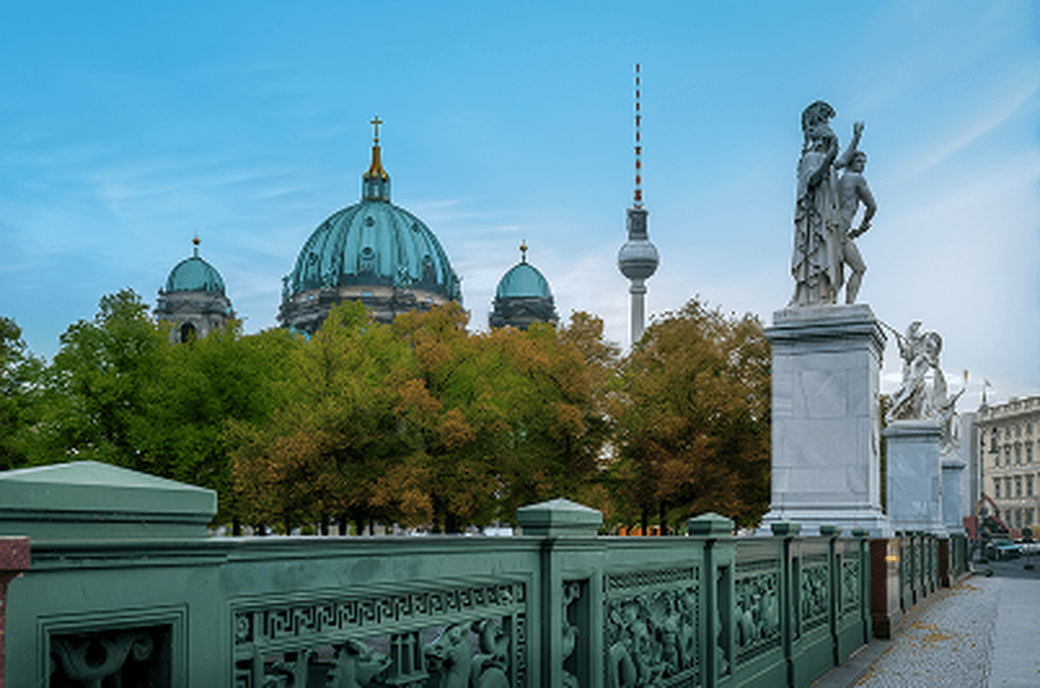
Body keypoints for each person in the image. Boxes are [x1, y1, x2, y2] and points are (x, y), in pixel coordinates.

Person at [789, 102, 864, 307]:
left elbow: (841, 160)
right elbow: (812, 180)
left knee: (829, 256)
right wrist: (829, 157)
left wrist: (856, 138)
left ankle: (825, 296)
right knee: (817, 254)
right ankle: (811, 297)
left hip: (828, 217)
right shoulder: (810, 158)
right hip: (816, 217)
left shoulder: (827, 161)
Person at [835, 149, 876, 304]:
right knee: (858, 269)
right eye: (859, 162)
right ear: (850, 162)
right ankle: (849, 305)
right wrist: (864, 224)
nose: (862, 166)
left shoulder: (838, 181)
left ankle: (842, 305)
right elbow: (872, 206)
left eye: (864, 163)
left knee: (840, 273)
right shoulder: (856, 178)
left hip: (837, 230)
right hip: (840, 231)